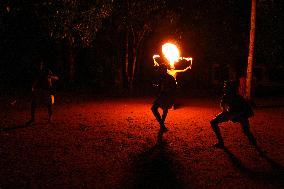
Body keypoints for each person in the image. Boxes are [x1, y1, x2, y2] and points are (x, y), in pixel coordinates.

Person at [210, 80, 255, 148]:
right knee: (213, 122)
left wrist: (237, 115)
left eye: (226, 87)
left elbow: (247, 110)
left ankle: (254, 143)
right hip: (230, 113)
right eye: (224, 86)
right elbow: (222, 104)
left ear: (231, 88)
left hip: (240, 115)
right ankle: (221, 142)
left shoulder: (239, 98)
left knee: (246, 131)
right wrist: (224, 111)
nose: (224, 88)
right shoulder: (225, 96)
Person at [151, 62, 177, 132]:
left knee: (165, 110)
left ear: (164, 70)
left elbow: (174, 88)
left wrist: (171, 97)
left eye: (161, 69)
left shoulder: (170, 78)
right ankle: (162, 125)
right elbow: (159, 87)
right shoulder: (161, 78)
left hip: (167, 97)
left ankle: (162, 126)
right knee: (154, 109)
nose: (159, 71)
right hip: (162, 96)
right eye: (159, 69)